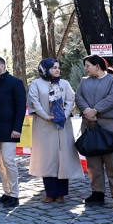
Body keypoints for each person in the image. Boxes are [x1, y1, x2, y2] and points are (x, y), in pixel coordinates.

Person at [27, 58, 84, 203]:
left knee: (62, 158)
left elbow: (71, 100)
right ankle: (50, 192)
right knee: (48, 159)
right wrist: (47, 116)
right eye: (53, 68)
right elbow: (34, 101)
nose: (57, 70)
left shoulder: (64, 84)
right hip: (44, 126)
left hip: (63, 126)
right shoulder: (36, 84)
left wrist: (62, 116)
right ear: (45, 69)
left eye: (58, 67)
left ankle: (61, 193)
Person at [76, 54, 113, 211]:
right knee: (93, 164)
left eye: (88, 65)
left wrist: (95, 110)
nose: (86, 69)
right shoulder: (84, 82)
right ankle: (97, 192)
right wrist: (87, 111)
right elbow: (79, 97)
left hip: (110, 126)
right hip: (90, 126)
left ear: (97, 66)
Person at [0, 56, 26, 208]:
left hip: (9, 131)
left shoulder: (15, 83)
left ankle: (14, 195)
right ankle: (6, 193)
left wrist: (17, 129)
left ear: (2, 66)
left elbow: (21, 107)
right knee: (0, 163)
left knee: (9, 162)